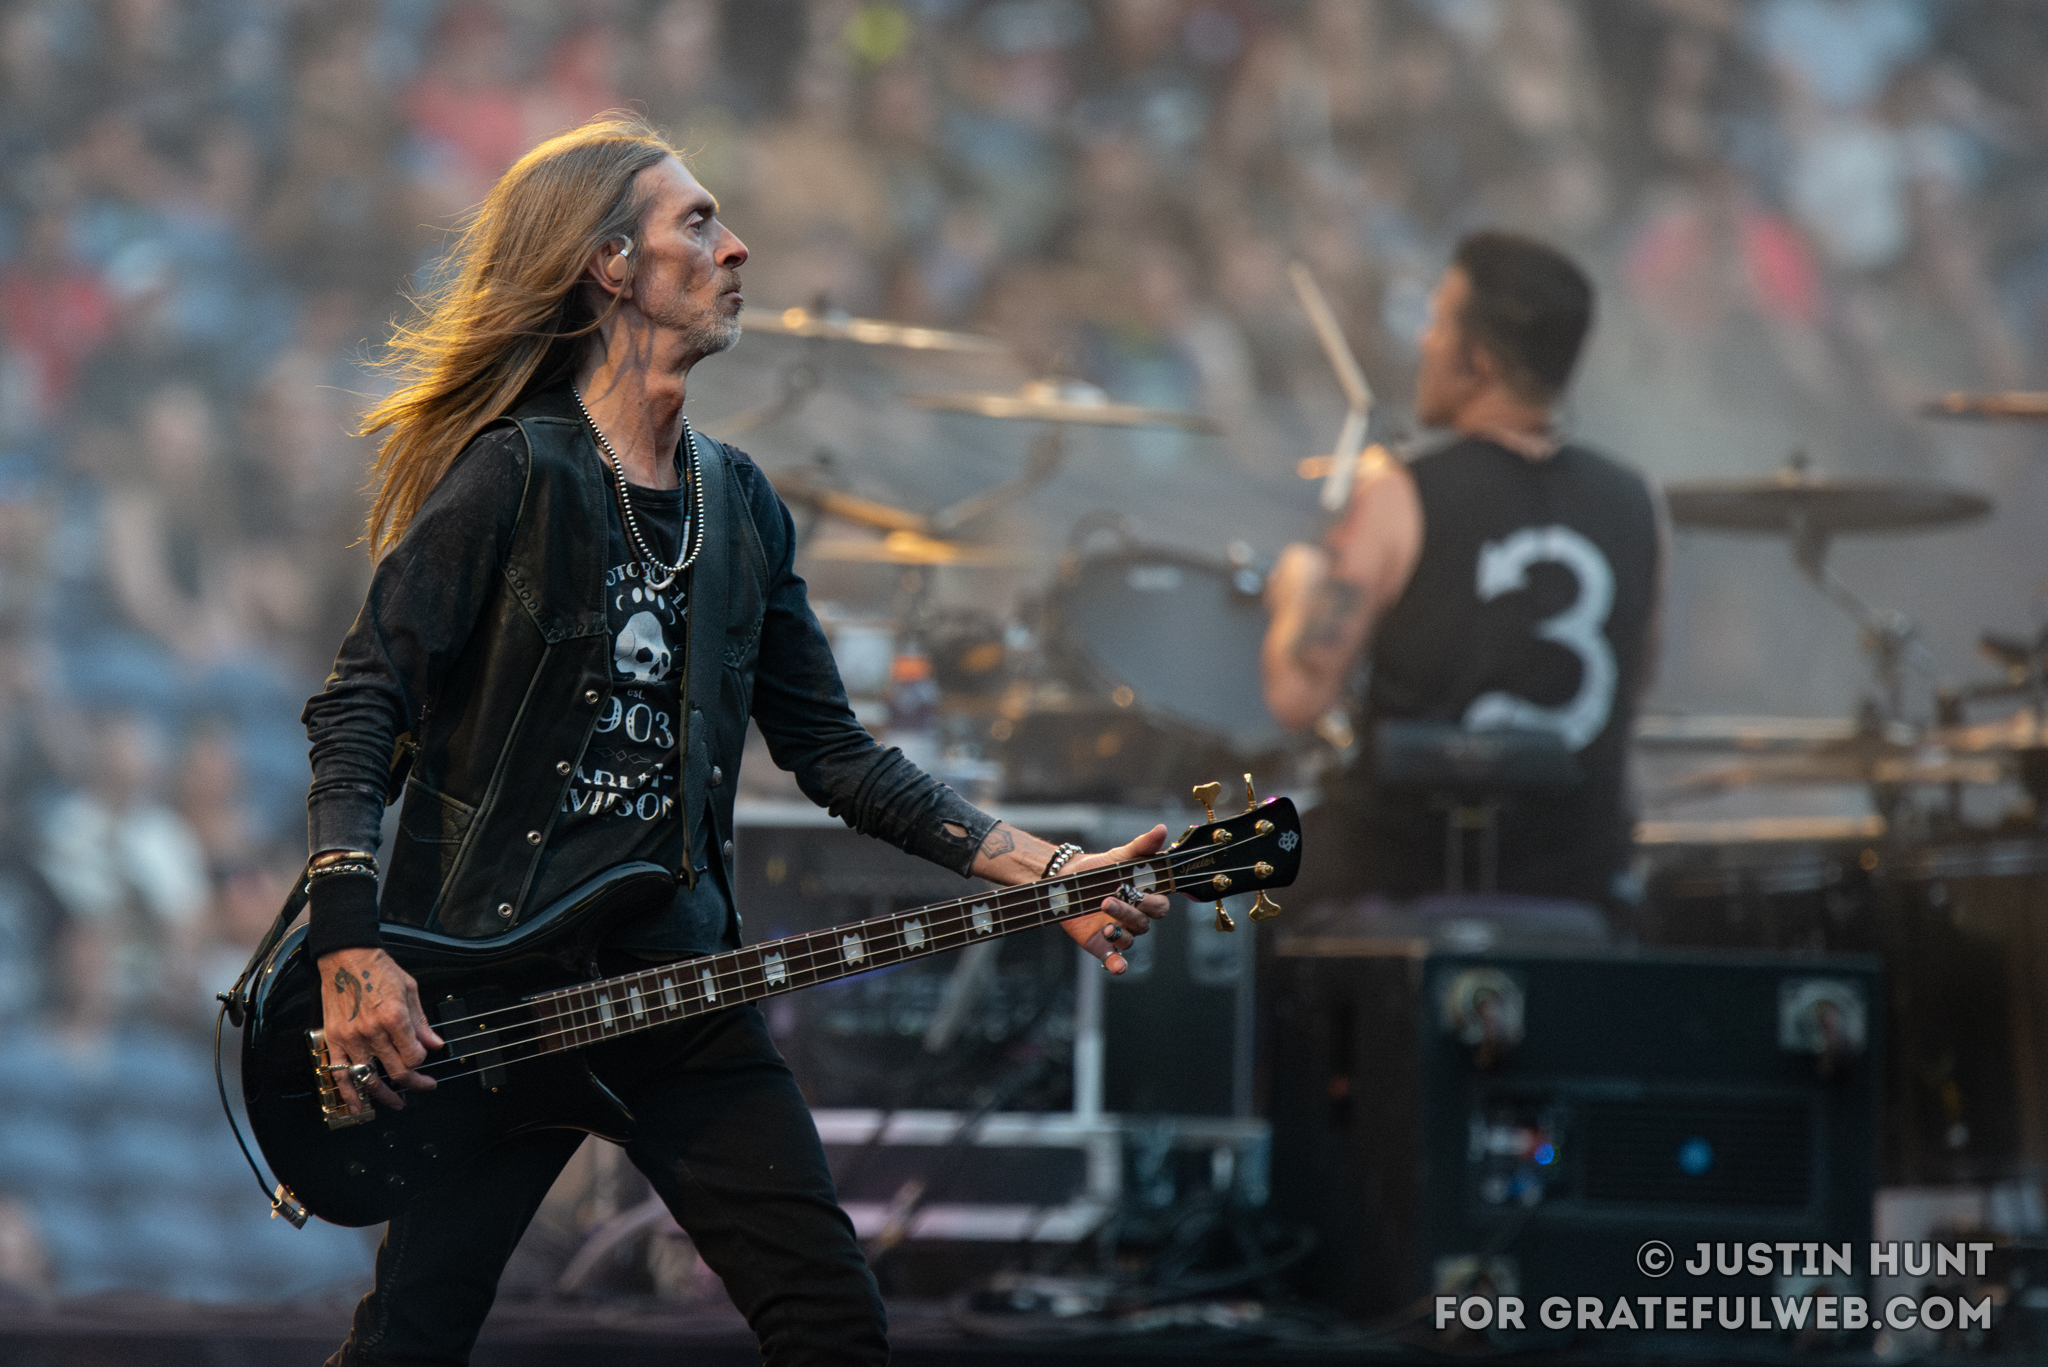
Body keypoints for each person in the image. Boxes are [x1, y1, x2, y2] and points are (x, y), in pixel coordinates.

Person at [298, 115, 1172, 1367]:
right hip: (485, 996)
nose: (737, 245)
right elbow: (356, 702)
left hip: (674, 987)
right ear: (610, 264)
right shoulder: (513, 475)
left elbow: (835, 754)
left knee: (831, 1322)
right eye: (698, 223)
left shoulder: (741, 501)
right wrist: (349, 947)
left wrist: (1046, 870)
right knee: (411, 1338)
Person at [1262, 231, 1661, 915]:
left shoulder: (1397, 493)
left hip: (1407, 877)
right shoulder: (1638, 502)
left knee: (1222, 876)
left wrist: (1298, 586)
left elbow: (1299, 695)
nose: (1423, 341)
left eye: (1438, 320)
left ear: (1476, 360)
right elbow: (1638, 679)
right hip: (1580, 884)